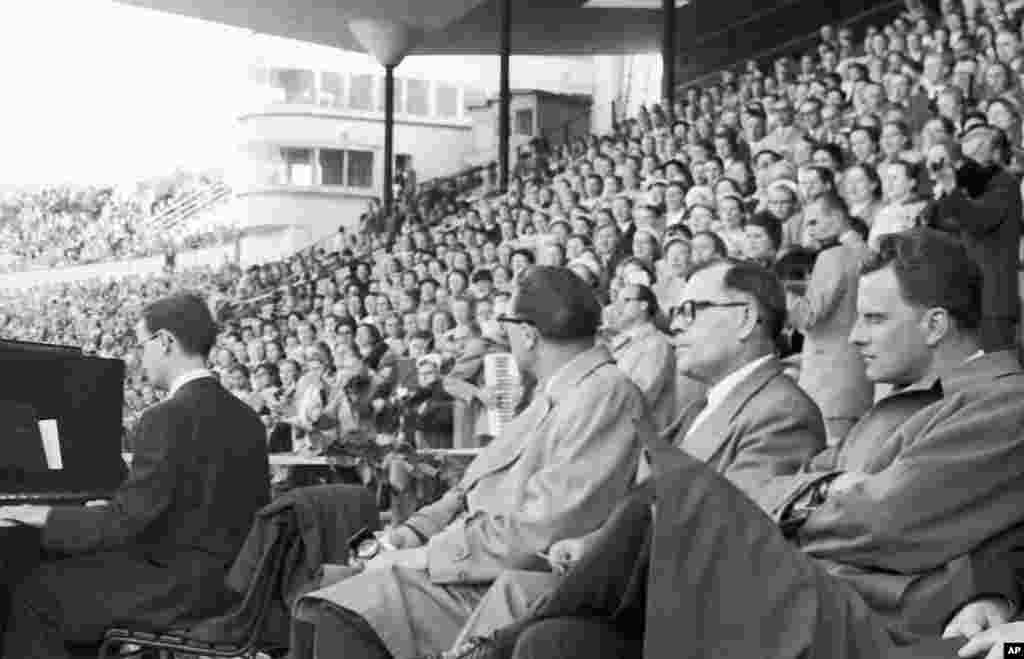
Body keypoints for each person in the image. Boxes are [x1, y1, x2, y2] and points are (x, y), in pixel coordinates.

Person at [488, 228, 1024, 659]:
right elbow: (784, 490)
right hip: (793, 599)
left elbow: (886, 519)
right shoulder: (892, 408)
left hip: (856, 619)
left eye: (875, 319)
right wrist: (827, 491)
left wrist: (807, 500)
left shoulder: (1001, 404)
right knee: (554, 644)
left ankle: (485, 653)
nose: (855, 334)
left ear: (934, 325)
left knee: (668, 508)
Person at [291, 266, 652, 659]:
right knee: (321, 589)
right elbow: (470, 490)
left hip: (503, 582)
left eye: (506, 323)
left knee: (338, 611)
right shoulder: (559, 390)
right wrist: (411, 533)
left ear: (528, 334)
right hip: (473, 563)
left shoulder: (605, 394)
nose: (503, 333)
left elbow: (540, 532)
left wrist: (425, 557)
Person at [0, 293, 271, 659]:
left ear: (164, 342)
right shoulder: (247, 418)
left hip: (179, 588)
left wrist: (42, 514)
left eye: (141, 345)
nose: (139, 358)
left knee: (34, 594)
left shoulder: (166, 417)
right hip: (232, 584)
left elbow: (123, 523)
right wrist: (104, 510)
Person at [924, 127, 1022, 352]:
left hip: (994, 300)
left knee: (996, 368)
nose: (966, 166)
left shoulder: (1005, 184)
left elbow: (978, 221)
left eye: (973, 158)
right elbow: (946, 220)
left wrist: (952, 188)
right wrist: (946, 188)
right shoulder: (971, 187)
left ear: (996, 154)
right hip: (970, 296)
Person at [787, 194, 873, 444]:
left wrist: (783, 296)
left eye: (813, 222)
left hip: (828, 384)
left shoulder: (832, 257)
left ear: (836, 218)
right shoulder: (868, 253)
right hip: (859, 379)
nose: (809, 231)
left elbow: (808, 317)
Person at [607, 284, 677, 432]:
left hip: (638, 440)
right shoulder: (618, 340)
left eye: (626, 300)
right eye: (617, 300)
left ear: (643, 305)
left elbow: (640, 397)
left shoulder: (656, 344)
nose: (618, 306)